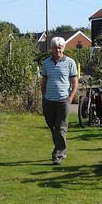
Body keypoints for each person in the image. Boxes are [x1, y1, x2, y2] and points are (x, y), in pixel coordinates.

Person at [40, 37, 78, 165]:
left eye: (60, 47)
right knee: (53, 127)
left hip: (63, 100)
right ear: (52, 49)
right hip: (49, 100)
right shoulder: (46, 63)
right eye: (56, 47)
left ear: (63, 48)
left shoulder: (70, 62)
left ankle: (58, 154)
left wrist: (71, 97)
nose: (58, 50)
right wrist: (44, 96)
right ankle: (61, 149)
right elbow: (44, 81)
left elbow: (74, 82)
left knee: (61, 128)